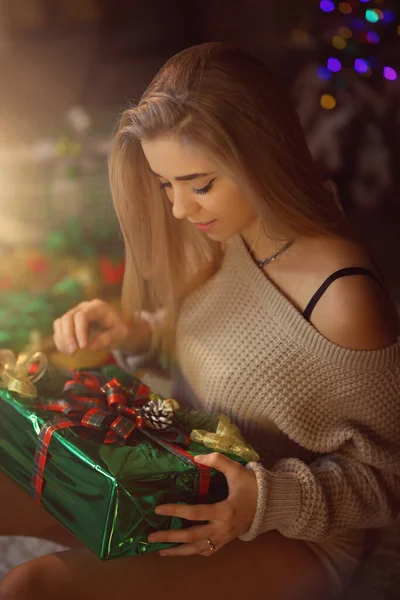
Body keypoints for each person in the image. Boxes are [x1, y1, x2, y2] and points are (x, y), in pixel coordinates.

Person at [1, 42, 399, 600]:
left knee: (31, 586)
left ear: (260, 157)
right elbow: (219, 352)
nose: (180, 210)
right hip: (185, 472)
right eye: (167, 185)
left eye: (199, 183)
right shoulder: (226, 232)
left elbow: (388, 476)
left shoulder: (342, 297)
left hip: (290, 531)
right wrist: (137, 332)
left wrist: (263, 500)